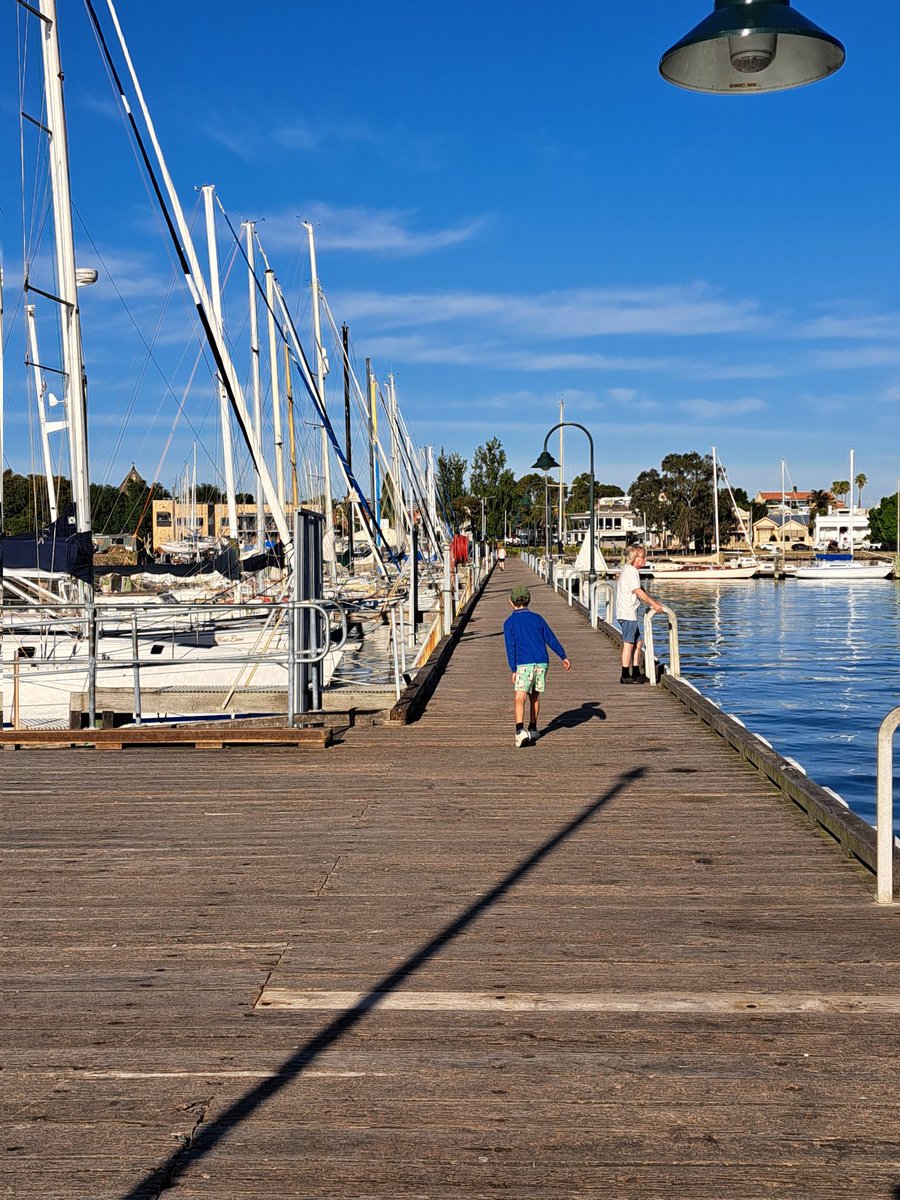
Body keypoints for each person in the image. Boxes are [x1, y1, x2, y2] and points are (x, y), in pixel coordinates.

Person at [503, 584, 570, 747]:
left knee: (520, 696)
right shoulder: (538, 618)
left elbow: (510, 647)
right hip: (542, 661)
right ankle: (533, 728)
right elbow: (550, 637)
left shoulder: (509, 622)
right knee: (535, 695)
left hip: (524, 663)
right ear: (528, 601)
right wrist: (563, 655)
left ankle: (520, 731)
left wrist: (513, 668)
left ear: (511, 602)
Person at [615, 543, 663, 684]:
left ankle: (636, 671)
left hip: (629, 613)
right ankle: (625, 674)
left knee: (638, 642)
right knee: (629, 643)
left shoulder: (628, 571)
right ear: (634, 558)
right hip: (627, 613)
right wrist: (653, 604)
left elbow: (639, 589)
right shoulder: (631, 571)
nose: (645, 560)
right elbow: (638, 591)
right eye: (642, 557)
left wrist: (652, 599)